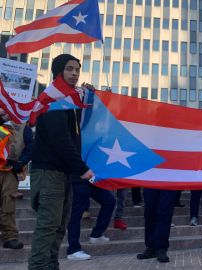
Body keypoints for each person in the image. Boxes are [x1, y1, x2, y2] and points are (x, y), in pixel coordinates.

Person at [28, 54, 94, 270]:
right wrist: (82, 168)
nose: (74, 73)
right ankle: (38, 266)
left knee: (58, 226)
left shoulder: (68, 100)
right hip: (49, 173)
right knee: (48, 226)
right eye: (69, 69)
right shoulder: (53, 99)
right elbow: (61, 140)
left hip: (62, 173)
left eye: (77, 69)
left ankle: (50, 265)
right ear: (58, 72)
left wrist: (93, 97)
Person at [66, 174, 116, 260]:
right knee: (76, 214)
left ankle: (96, 234)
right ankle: (73, 250)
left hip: (92, 179)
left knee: (110, 201)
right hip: (79, 178)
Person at [0, 121, 33, 250]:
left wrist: (21, 162)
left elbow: (30, 145)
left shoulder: (23, 125)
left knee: (9, 203)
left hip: (10, 169)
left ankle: (10, 237)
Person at [136, 189, 177, 263]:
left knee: (165, 212)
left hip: (168, 181)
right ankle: (151, 246)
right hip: (150, 180)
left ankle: (161, 248)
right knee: (149, 212)